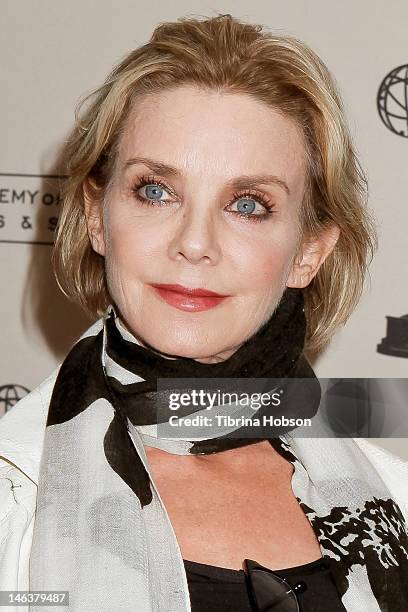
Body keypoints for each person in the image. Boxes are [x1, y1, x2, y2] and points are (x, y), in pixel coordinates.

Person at [1, 13, 407, 612]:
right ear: (95, 217)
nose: (194, 242)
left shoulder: (394, 492)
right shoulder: (14, 494)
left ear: (309, 253)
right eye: (156, 191)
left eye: (247, 205)